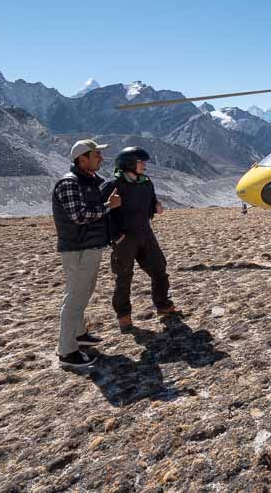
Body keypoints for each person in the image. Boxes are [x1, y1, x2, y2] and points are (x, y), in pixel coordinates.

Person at [52, 139, 121, 369]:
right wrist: (108, 206)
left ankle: (79, 334)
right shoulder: (69, 183)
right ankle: (67, 351)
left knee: (84, 293)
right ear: (82, 159)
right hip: (77, 249)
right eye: (96, 155)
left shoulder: (88, 181)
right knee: (74, 299)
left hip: (88, 247)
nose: (100, 158)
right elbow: (79, 216)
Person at [101, 147, 180, 333]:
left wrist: (156, 207)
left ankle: (163, 305)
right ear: (128, 163)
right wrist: (116, 236)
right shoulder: (112, 185)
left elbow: (151, 203)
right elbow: (103, 214)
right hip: (124, 239)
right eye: (140, 161)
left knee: (159, 268)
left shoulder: (146, 183)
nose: (144, 165)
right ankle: (124, 317)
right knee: (124, 277)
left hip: (145, 234)